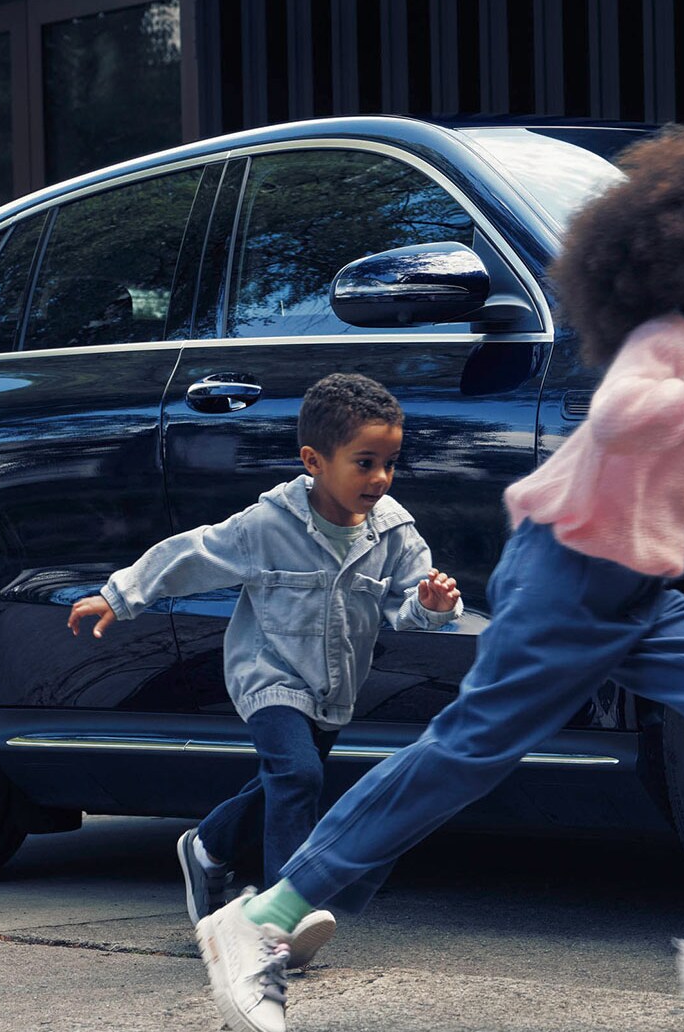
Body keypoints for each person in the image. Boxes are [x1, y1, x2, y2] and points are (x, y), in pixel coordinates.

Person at [195, 125, 684, 1032]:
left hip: (636, 597)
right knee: (463, 755)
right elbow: (623, 416)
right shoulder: (665, 346)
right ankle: (264, 915)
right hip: (566, 583)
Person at [68, 373, 461, 972]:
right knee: (298, 774)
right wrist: (120, 596)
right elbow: (192, 554)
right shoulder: (268, 525)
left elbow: (408, 604)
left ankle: (207, 847)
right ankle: (281, 915)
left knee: (284, 783)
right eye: (364, 463)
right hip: (268, 674)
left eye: (390, 463)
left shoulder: (394, 531)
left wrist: (432, 607)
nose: (380, 478)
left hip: (334, 686)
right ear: (314, 461)